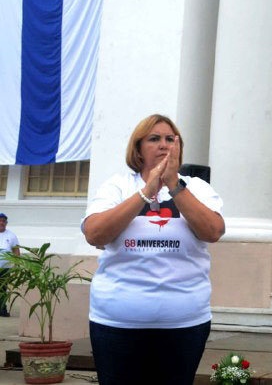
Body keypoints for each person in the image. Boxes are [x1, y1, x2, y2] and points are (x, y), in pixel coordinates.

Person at [81, 114, 225, 385]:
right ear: (137, 149)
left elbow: (213, 231)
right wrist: (146, 192)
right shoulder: (117, 186)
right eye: (154, 139)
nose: (164, 145)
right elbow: (94, 233)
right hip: (117, 324)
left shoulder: (197, 188)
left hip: (184, 324)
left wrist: (174, 186)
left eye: (170, 139)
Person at [0, 213, 20, 317]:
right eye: (0, 220)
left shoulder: (11, 235)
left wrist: (16, 266)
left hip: (5, 268)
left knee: (3, 289)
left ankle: (2, 309)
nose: (1, 223)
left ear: (6, 223)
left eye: (3, 221)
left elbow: (16, 251)